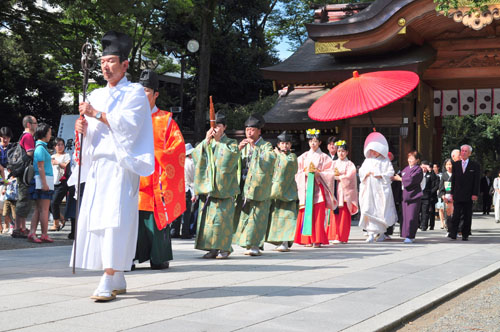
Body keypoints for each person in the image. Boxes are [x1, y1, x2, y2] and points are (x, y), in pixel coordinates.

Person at [70, 31, 154, 302]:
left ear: (125, 64)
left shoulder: (135, 93)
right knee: (98, 220)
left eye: (112, 61)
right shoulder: (95, 94)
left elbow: (129, 127)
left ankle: (108, 275)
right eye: (103, 61)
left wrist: (95, 114)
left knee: (115, 221)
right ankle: (116, 273)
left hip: (120, 165)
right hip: (99, 166)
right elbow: (93, 133)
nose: (106, 66)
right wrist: (82, 127)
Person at [134, 69, 185, 270]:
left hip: (156, 180)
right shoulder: (130, 118)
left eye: (146, 90)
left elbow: (178, 148)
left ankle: (158, 256)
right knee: (132, 222)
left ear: (156, 94)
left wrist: (156, 155)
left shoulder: (166, 120)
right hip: (133, 180)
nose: (142, 94)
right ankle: (129, 256)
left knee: (156, 220)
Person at [193, 112, 240, 259]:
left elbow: (231, 159)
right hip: (208, 189)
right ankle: (212, 248)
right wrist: (206, 141)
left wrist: (219, 143)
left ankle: (224, 248)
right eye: (213, 126)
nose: (215, 129)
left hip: (223, 190)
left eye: (218, 126)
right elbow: (196, 156)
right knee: (209, 222)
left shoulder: (231, 143)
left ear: (224, 127)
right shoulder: (208, 142)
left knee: (222, 221)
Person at [233, 114, 275, 256]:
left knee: (258, 216)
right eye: (247, 130)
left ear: (259, 131)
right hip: (244, 185)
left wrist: (255, 149)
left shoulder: (266, 145)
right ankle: (246, 243)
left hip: (259, 187)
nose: (249, 133)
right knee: (245, 215)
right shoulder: (243, 146)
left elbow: (270, 159)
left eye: (252, 130)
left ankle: (255, 245)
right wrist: (238, 149)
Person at [294, 129, 336, 248]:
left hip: (318, 188)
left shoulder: (324, 157)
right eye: (311, 141)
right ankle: (307, 239)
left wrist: (320, 174)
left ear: (319, 143)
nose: (313, 143)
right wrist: (304, 174)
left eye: (315, 141)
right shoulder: (303, 157)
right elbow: (296, 172)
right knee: (306, 212)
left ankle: (317, 239)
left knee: (318, 214)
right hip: (306, 188)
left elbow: (331, 172)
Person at [358, 132, 397, 243]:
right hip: (369, 189)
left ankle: (381, 233)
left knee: (381, 210)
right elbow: (361, 172)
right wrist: (366, 173)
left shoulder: (385, 161)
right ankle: (370, 233)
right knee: (368, 208)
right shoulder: (367, 160)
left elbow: (390, 173)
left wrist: (381, 175)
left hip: (380, 189)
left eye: (375, 150)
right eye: (372, 150)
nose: (373, 152)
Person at [265, 131, 298, 252]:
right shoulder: (274, 156)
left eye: (287, 143)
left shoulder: (291, 157)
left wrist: (279, 155)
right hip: (275, 191)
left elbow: (286, 167)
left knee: (287, 218)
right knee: (276, 217)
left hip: (288, 191)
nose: (285, 146)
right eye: (283, 143)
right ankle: (278, 241)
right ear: (278, 144)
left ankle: (285, 241)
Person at [326, 140, 358, 244]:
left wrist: (339, 177)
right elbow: (327, 174)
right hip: (335, 191)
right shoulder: (333, 163)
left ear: (347, 152)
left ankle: (342, 236)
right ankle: (335, 235)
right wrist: (332, 176)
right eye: (339, 151)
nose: (341, 153)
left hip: (344, 193)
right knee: (334, 215)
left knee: (344, 215)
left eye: (343, 151)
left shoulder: (350, 164)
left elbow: (350, 177)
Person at [28, 123, 54, 243]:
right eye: (49, 132)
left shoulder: (39, 147)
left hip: (41, 180)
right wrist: (44, 183)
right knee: (44, 209)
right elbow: (40, 167)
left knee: (39, 209)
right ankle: (44, 233)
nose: (50, 135)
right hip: (43, 180)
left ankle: (32, 232)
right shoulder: (40, 148)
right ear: (44, 134)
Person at [12, 116, 37, 239]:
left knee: (24, 198)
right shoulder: (27, 137)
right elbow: (30, 153)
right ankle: (18, 228)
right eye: (35, 123)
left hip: (22, 171)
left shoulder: (23, 136)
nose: (36, 125)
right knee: (23, 198)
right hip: (25, 172)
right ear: (29, 124)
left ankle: (21, 227)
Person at [448, 144, 480, 241]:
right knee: (456, 214)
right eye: (462, 151)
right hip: (457, 194)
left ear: (470, 153)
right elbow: (453, 180)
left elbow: (476, 181)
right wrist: (451, 193)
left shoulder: (475, 165)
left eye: (466, 151)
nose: (464, 153)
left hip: (468, 194)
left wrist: (475, 194)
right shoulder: (456, 164)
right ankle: (453, 233)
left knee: (467, 215)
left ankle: (465, 234)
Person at [393, 151, 423, 243]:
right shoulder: (406, 169)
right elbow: (399, 175)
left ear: (417, 160)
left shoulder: (418, 169)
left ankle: (410, 236)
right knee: (405, 217)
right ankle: (406, 235)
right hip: (405, 196)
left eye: (412, 158)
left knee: (412, 217)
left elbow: (411, 180)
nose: (409, 160)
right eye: (409, 158)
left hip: (414, 196)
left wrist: (400, 179)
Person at [171, 143, 194, 239]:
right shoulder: (190, 163)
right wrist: (194, 192)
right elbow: (192, 179)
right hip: (186, 189)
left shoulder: (177, 161)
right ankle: (185, 232)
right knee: (186, 212)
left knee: (176, 211)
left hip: (177, 189)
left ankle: (174, 231)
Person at [49, 137, 70, 231]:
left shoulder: (67, 156)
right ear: (54, 146)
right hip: (52, 182)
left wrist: (57, 162)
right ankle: (62, 218)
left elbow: (66, 166)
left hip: (62, 182)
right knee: (49, 204)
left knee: (54, 202)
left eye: (62, 144)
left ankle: (56, 224)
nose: (60, 146)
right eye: (58, 145)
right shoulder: (51, 156)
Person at [419, 160, 439, 231]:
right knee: (418, 211)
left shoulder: (430, 174)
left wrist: (430, 170)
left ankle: (424, 225)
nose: (423, 169)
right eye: (422, 167)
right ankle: (419, 224)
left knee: (425, 212)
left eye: (425, 167)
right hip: (418, 195)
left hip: (427, 196)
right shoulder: (418, 174)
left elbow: (434, 180)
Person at [439, 159, 454, 231]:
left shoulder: (456, 174)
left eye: (450, 164)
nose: (449, 166)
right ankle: (449, 229)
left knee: (454, 213)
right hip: (447, 196)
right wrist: (443, 196)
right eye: (447, 164)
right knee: (447, 214)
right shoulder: (444, 175)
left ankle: (456, 229)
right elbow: (441, 188)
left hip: (455, 196)